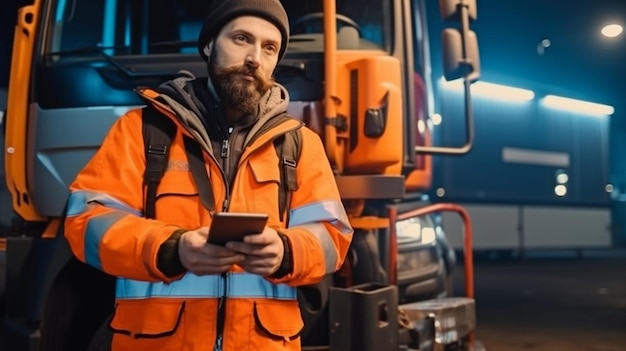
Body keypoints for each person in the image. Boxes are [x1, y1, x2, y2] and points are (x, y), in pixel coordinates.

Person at [63, 0, 354, 350]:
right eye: (241, 38)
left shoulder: (301, 144)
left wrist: (286, 251)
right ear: (208, 45)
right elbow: (87, 224)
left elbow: (331, 238)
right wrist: (174, 249)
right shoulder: (140, 131)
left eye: (269, 47)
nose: (254, 58)